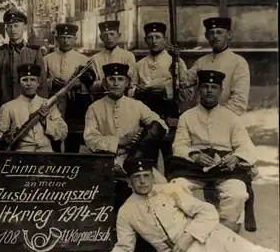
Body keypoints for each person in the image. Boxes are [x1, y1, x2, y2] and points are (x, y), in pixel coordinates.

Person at [104, 158, 279, 252]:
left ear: (152, 176)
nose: (142, 181)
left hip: (211, 234)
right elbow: (125, 246)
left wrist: (188, 236)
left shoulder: (170, 190)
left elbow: (207, 211)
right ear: (129, 181)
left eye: (146, 175)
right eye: (137, 177)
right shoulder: (126, 211)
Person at [168, 70, 256, 233]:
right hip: (195, 168)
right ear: (198, 89)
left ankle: (227, 236)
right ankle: (188, 232)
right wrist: (194, 155)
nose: (209, 90)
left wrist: (236, 158)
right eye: (205, 86)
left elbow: (246, 146)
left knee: (237, 193)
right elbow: (179, 146)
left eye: (214, 87)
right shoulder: (187, 117)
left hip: (224, 169)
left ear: (221, 91)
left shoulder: (232, 118)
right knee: (175, 188)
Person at [83, 63, 168, 182]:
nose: (116, 83)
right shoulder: (94, 108)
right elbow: (90, 139)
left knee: (161, 183)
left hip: (134, 160)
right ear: (104, 83)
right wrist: (120, 141)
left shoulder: (137, 105)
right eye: (111, 79)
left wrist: (143, 136)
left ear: (127, 83)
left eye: (120, 79)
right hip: (105, 161)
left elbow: (161, 126)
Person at [136, 22, 190, 172]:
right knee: (147, 161)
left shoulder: (176, 62)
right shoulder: (140, 64)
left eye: (157, 37)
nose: (154, 41)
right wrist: (137, 90)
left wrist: (165, 89)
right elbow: (130, 89)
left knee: (171, 160)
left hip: (169, 115)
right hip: (147, 117)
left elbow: (185, 91)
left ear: (165, 40)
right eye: (150, 37)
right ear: (145, 40)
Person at [0, 8, 48, 121]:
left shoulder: (34, 52)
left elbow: (42, 83)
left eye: (16, 25)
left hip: (30, 108)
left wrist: (42, 105)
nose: (13, 29)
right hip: (6, 106)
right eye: (9, 26)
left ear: (24, 27)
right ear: (6, 29)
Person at [0, 63, 67, 152]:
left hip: (46, 154)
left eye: (32, 80)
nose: (29, 84)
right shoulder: (8, 107)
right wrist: (1, 140)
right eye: (25, 80)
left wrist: (45, 122)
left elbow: (63, 132)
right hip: (20, 155)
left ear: (38, 82)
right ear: (19, 83)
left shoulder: (49, 105)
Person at [184, 17, 250, 117]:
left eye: (219, 32)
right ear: (206, 36)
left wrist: (215, 118)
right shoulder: (201, 62)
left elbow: (239, 101)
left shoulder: (239, 62)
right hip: (199, 118)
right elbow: (184, 81)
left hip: (226, 119)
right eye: (211, 33)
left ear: (229, 35)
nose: (215, 36)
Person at [44, 23, 94, 153]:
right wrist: (51, 82)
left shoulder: (83, 59)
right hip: (53, 103)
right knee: (54, 135)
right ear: (57, 38)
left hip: (75, 104)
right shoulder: (47, 59)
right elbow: (40, 81)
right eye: (63, 37)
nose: (66, 41)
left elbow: (92, 83)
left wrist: (80, 84)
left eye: (69, 38)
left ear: (75, 39)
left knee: (73, 136)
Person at [90, 20, 138, 97]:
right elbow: (91, 86)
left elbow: (133, 82)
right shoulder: (95, 59)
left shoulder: (128, 56)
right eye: (105, 35)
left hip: (123, 98)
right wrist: (101, 84)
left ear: (119, 35)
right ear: (101, 37)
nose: (109, 38)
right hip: (101, 98)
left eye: (112, 34)